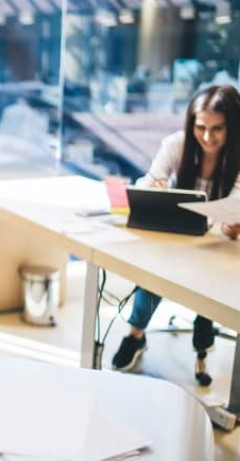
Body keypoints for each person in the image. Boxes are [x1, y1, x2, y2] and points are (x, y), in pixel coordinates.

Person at [112, 84, 240, 385]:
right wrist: (152, 187)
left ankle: (203, 326)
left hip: (217, 249)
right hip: (176, 241)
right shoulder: (176, 145)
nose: (207, 137)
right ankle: (136, 334)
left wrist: (230, 226)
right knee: (154, 272)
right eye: (201, 127)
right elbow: (149, 181)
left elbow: (235, 208)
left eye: (218, 129)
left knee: (211, 273)